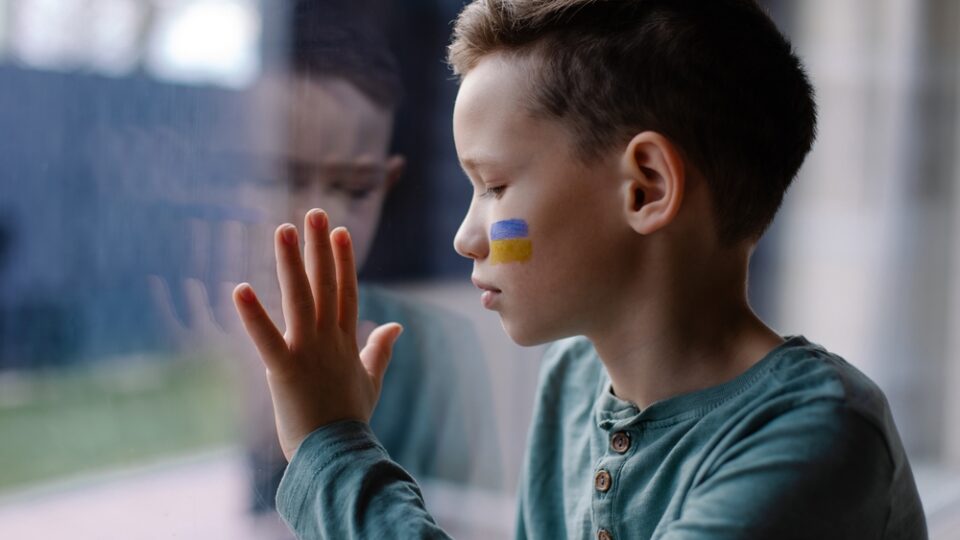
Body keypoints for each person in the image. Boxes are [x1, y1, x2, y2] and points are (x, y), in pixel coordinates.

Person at [232, 0, 929, 538]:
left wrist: (332, 447)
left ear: (646, 189)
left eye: (494, 186)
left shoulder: (817, 438)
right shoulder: (574, 382)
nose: (466, 237)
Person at [151, 0, 500, 535]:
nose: (318, 213)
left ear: (388, 185)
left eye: (352, 187)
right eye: (281, 178)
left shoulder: (434, 349)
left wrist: (330, 435)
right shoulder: (189, 328)